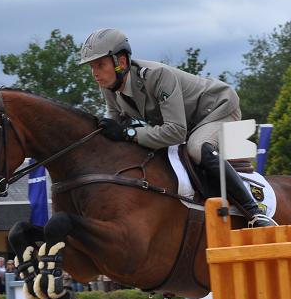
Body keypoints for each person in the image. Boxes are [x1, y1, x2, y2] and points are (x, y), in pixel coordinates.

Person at [79, 28, 276, 228]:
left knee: (197, 148)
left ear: (120, 62)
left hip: (218, 109)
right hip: (190, 123)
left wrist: (128, 133)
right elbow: (112, 125)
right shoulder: (109, 87)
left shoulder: (157, 76)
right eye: (91, 67)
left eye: (100, 65)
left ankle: (255, 213)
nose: (94, 73)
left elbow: (175, 132)